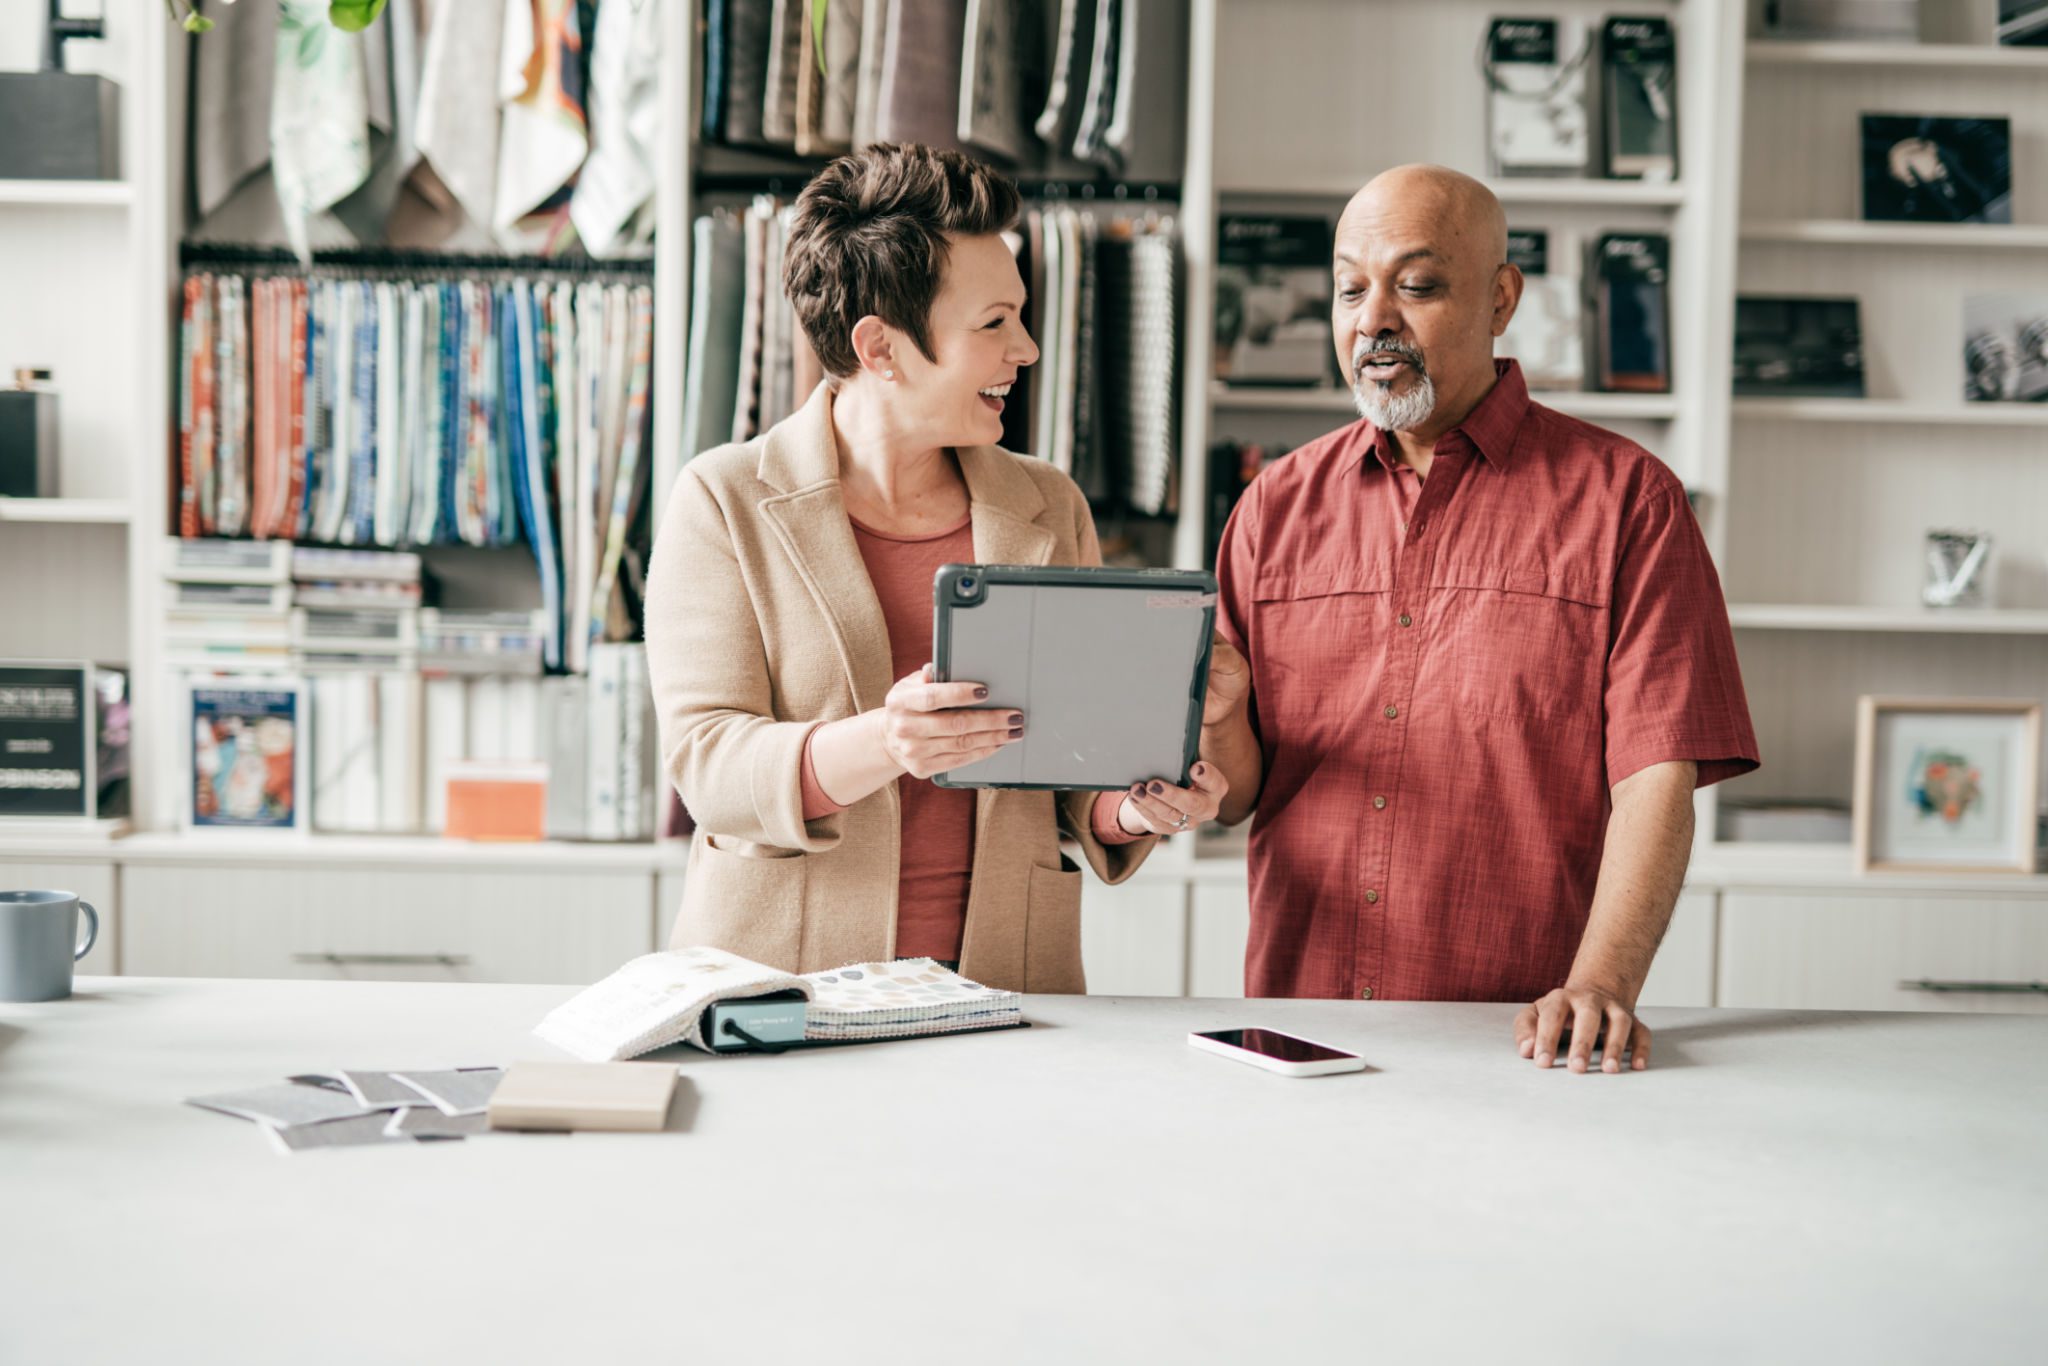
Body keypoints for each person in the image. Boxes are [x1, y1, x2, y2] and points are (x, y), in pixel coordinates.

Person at [1199, 165, 1759, 1072]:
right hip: (1299, 1028)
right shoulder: (1274, 505)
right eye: (1350, 288)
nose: (1373, 318)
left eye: (1415, 285)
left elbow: (1657, 775)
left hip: (1525, 1041)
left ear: (1501, 299)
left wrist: (1603, 985)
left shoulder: (1628, 501)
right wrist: (1220, 719)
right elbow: (1236, 796)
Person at [645, 143, 1228, 993]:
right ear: (879, 347)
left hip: (1005, 990)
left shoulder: (1049, 504)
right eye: (994, 324)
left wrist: (1136, 805)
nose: (1026, 349)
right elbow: (710, 765)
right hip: (781, 994)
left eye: (1020, 318)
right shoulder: (723, 500)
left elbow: (1070, 773)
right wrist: (889, 740)